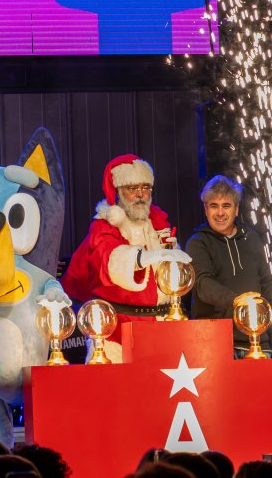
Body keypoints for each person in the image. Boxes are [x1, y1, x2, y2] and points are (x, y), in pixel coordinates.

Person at [60, 154, 190, 362]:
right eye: (132, 188)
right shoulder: (104, 226)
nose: (140, 194)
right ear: (118, 191)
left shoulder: (158, 223)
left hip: (160, 326)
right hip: (117, 333)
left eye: (145, 188)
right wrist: (146, 257)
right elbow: (109, 260)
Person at [187, 175, 272, 357]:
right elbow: (203, 284)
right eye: (214, 206)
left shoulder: (252, 238)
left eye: (226, 205)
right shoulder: (198, 242)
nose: (220, 213)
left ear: (236, 209)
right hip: (214, 342)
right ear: (205, 210)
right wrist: (238, 301)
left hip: (258, 342)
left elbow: (268, 282)